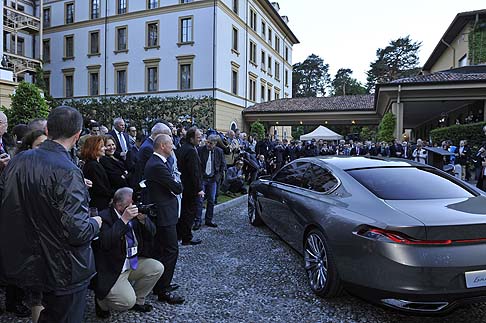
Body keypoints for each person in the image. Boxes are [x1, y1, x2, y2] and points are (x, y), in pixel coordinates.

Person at [0, 106, 102, 323]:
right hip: (62, 269)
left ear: (47, 130)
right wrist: (97, 222)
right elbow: (78, 231)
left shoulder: (18, 159)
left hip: (29, 262)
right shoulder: (68, 170)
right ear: (77, 136)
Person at [92, 187, 163, 318]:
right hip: (114, 268)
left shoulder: (135, 215)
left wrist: (143, 220)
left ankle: (138, 300)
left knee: (157, 267)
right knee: (126, 302)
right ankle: (102, 302)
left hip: (132, 262)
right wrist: (123, 220)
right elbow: (105, 243)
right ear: (119, 205)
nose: (134, 207)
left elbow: (152, 234)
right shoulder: (104, 217)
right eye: (130, 205)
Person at [145, 134, 185, 304]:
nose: (173, 147)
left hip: (164, 212)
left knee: (162, 250)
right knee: (170, 250)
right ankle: (163, 289)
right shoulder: (157, 165)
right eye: (170, 144)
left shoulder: (158, 163)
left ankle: (159, 284)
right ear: (162, 145)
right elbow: (176, 187)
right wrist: (177, 181)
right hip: (163, 214)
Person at [176, 127, 204, 246]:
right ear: (191, 138)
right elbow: (194, 172)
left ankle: (180, 235)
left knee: (183, 213)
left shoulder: (184, 148)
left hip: (184, 187)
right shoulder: (191, 151)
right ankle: (187, 237)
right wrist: (199, 189)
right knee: (189, 214)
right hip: (190, 189)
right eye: (198, 137)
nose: (200, 139)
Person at [194, 134, 226, 230]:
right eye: (207, 142)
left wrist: (217, 177)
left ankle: (209, 220)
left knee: (211, 200)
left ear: (215, 144)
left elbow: (223, 166)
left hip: (212, 179)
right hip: (202, 179)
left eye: (211, 143)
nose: (208, 144)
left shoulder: (219, 152)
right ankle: (197, 221)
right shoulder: (200, 150)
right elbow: (196, 165)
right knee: (199, 200)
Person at [81, 135, 113, 211]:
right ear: (94, 148)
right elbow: (100, 188)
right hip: (99, 206)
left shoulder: (95, 164)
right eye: (102, 146)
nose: (105, 148)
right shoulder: (93, 166)